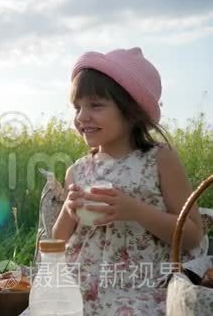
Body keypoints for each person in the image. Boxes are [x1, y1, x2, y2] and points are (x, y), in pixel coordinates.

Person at [52, 47, 205, 315]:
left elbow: (192, 235)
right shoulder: (78, 171)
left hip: (142, 284)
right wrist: (68, 211)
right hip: (80, 283)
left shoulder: (159, 160)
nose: (82, 116)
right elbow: (57, 242)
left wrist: (135, 210)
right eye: (77, 107)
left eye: (95, 105)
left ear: (131, 111)